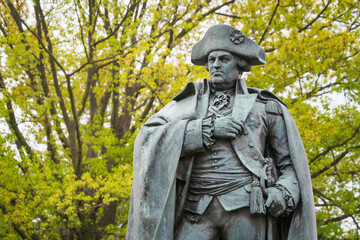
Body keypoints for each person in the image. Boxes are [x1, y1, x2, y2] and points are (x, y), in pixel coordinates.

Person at [126, 24, 317, 240]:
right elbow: (148, 138)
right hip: (195, 209)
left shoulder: (265, 107)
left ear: (239, 65)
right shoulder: (185, 105)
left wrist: (282, 192)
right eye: (211, 60)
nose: (216, 65)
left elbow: (290, 167)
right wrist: (206, 129)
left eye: (224, 59)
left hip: (246, 207)